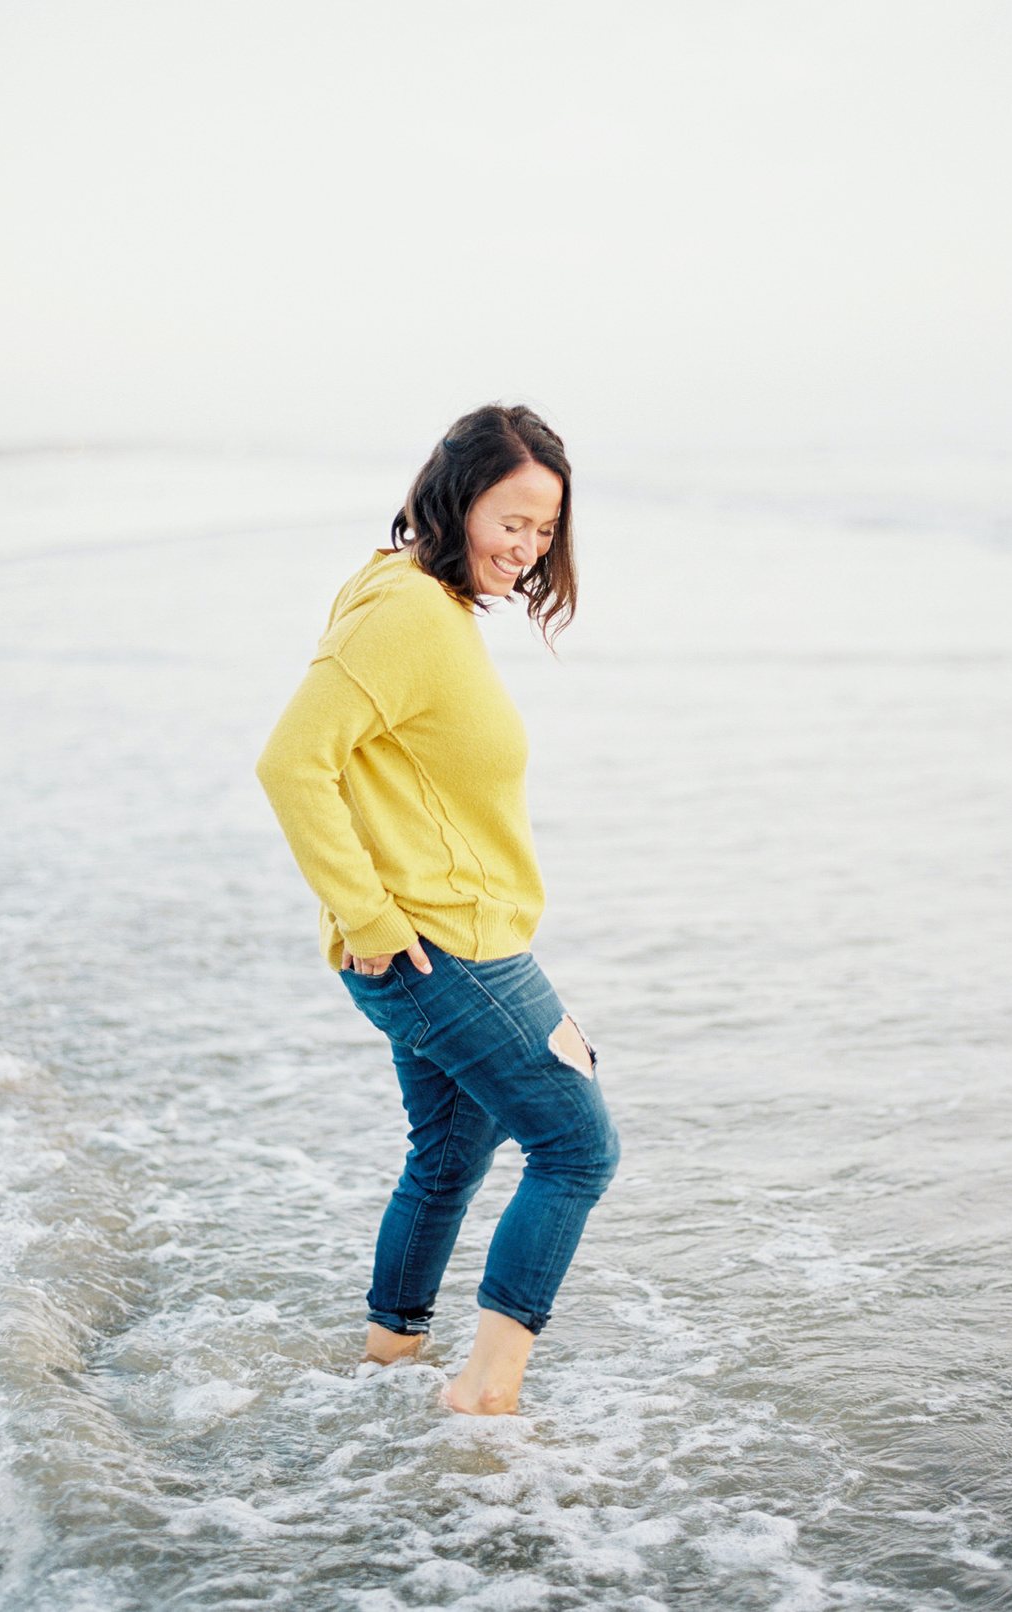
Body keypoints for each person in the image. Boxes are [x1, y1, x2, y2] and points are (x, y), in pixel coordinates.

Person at [256, 403, 620, 1415]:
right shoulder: (409, 612)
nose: (530, 547)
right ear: (456, 498)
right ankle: (487, 1393)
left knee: (451, 1151)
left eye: (546, 530)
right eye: (514, 520)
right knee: (577, 1146)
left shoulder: (409, 595)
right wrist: (369, 921)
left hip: (436, 940)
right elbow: (292, 763)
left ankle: (387, 1365)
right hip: (442, 946)